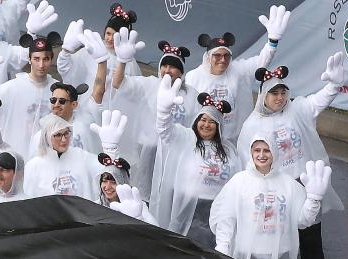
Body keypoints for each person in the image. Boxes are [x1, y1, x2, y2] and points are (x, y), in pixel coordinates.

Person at [236, 55, 346, 259]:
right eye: (273, 93)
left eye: (282, 92)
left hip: (304, 186)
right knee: (274, 244)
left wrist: (333, 85)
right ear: (263, 95)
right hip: (274, 191)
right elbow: (246, 163)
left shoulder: (297, 110)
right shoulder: (252, 125)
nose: (279, 98)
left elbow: (319, 102)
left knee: (311, 243)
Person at [209, 136, 330, 259]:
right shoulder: (239, 181)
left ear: (274, 153)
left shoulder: (289, 184)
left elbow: (302, 221)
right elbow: (226, 216)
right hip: (246, 252)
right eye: (257, 150)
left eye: (267, 150)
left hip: (279, 253)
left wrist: (313, 199)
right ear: (251, 152)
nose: (261, 155)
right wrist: (223, 246)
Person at [183, 6, 290, 144]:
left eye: (226, 56)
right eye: (217, 55)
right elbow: (189, 111)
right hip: (205, 140)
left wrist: (272, 42)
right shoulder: (194, 77)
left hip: (237, 141)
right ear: (208, 57)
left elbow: (261, 62)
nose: (223, 60)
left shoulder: (239, 71)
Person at [151, 79, 239, 244]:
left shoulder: (229, 150)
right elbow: (164, 130)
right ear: (196, 120)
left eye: (212, 121)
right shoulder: (185, 138)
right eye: (203, 119)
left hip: (214, 209)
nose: (206, 125)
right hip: (186, 207)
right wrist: (164, 111)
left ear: (219, 126)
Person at [109, 34, 197, 197]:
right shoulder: (149, 84)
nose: (167, 70)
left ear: (182, 72)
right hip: (147, 153)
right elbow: (118, 84)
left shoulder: (191, 95)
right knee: (142, 193)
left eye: (173, 67)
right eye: (164, 66)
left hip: (175, 154)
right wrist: (121, 61)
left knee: (167, 195)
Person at [0, 31, 62, 157]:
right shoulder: (10, 88)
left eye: (45, 59)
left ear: (51, 60)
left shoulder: (58, 91)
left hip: (45, 159)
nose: (41, 65)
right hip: (12, 158)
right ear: (29, 59)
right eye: (36, 59)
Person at [22, 111, 126, 201]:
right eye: (58, 135)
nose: (64, 139)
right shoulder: (33, 166)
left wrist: (110, 149)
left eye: (66, 133)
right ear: (47, 137)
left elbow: (109, 171)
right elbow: (28, 200)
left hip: (83, 219)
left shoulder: (81, 157)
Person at [55, 5, 141, 102]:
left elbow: (134, 93)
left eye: (116, 36)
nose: (110, 39)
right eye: (108, 33)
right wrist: (66, 51)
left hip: (113, 113)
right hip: (85, 108)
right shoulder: (93, 49)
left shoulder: (129, 62)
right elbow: (66, 69)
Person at [26, 81, 100, 157]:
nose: (56, 105)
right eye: (53, 100)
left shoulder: (83, 130)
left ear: (74, 104)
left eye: (62, 101)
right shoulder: (40, 136)